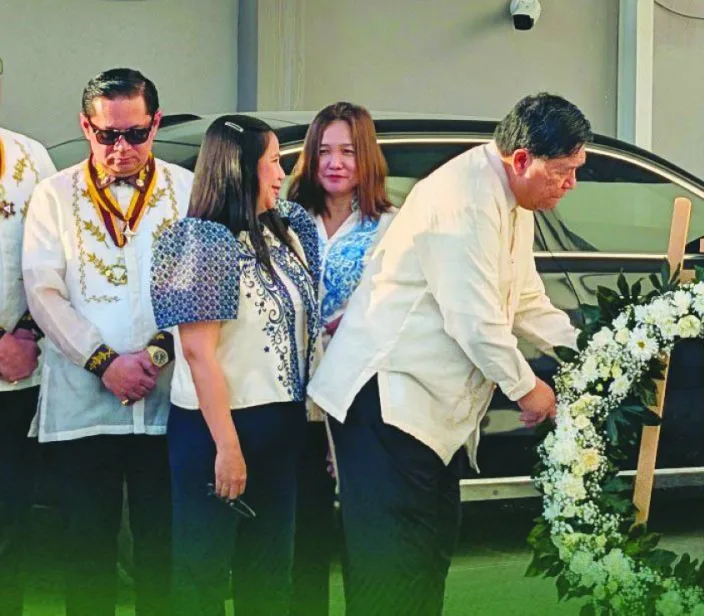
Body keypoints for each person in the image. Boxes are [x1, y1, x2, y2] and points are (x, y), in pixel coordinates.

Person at [307, 92, 587, 614]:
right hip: (388, 400)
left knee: (428, 557)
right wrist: (529, 388)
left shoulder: (513, 199)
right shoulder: (463, 197)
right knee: (391, 571)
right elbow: (474, 320)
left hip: (430, 416)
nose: (571, 184)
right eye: (565, 171)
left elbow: (524, 300)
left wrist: (590, 351)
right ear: (522, 159)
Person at [21, 67, 192, 616]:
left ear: (156, 123)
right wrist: (105, 362)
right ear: (85, 127)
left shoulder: (186, 191)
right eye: (107, 135)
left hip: (165, 396)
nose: (121, 148)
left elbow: (199, 288)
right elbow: (42, 290)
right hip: (83, 398)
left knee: (161, 546)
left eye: (136, 134)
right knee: (87, 552)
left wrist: (155, 354)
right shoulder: (53, 194)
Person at [151, 114, 321, 616]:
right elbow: (199, 353)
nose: (281, 171)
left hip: (280, 420)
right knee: (202, 575)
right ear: (240, 170)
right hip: (217, 426)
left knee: (270, 574)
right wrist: (228, 448)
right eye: (272, 161)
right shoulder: (199, 242)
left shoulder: (288, 229)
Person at [284, 101, 396, 615]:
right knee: (297, 534)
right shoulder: (283, 221)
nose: (335, 163)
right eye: (324, 151)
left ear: (366, 157)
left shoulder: (390, 228)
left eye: (348, 151)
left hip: (357, 399)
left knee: (362, 536)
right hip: (287, 395)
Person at [0, 112, 57, 614]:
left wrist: (29, 333)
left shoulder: (29, 155)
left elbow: (48, 258)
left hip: (16, 375)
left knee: (9, 524)